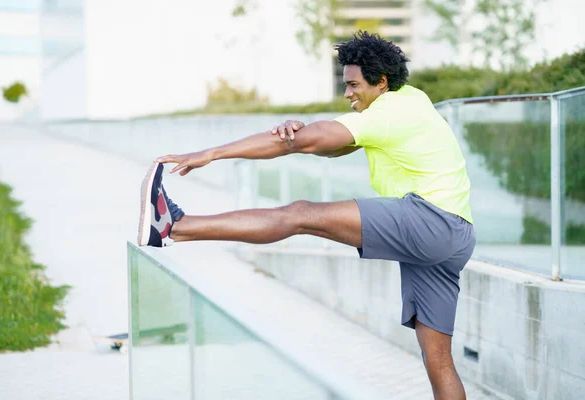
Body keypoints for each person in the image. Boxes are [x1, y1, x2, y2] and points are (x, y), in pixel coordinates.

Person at [139, 30, 475, 400]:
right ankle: (176, 228)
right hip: (455, 236)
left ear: (381, 82)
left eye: (352, 85)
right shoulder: (409, 101)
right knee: (438, 360)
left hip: (431, 220)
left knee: (300, 214)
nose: (347, 94)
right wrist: (302, 133)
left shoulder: (391, 111)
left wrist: (211, 153)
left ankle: (177, 227)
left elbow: (313, 141)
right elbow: (331, 145)